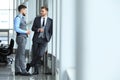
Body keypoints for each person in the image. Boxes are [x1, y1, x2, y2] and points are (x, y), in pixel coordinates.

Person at [26, 6, 53, 75]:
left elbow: (51, 31)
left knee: (40, 54)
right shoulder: (37, 19)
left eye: (42, 11)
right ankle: (36, 71)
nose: (41, 12)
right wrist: (38, 29)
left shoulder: (50, 20)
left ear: (46, 11)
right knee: (35, 54)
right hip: (36, 39)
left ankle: (30, 64)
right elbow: (33, 28)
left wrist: (48, 38)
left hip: (44, 40)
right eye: (40, 11)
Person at [14, 5, 31, 76]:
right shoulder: (18, 18)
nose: (26, 11)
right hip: (21, 38)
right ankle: (24, 71)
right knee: (22, 54)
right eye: (25, 10)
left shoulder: (22, 18)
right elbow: (16, 29)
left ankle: (17, 70)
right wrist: (26, 32)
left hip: (22, 38)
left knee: (18, 54)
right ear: (22, 10)